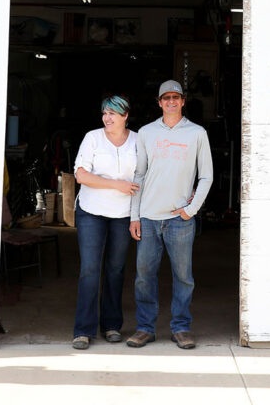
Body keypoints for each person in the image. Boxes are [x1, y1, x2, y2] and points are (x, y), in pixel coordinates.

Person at [127, 80, 213, 350]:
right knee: (144, 276)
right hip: (149, 217)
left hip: (179, 219)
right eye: (166, 98)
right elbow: (138, 174)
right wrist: (134, 216)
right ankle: (145, 328)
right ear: (159, 102)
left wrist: (191, 210)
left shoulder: (197, 133)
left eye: (176, 97)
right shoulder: (146, 132)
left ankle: (181, 327)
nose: (171, 102)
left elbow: (207, 175)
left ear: (183, 100)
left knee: (183, 276)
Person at [71, 94, 139, 349]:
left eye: (113, 113)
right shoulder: (93, 138)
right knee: (90, 269)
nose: (107, 118)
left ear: (125, 116)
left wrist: (137, 215)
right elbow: (81, 175)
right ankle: (83, 329)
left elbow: (144, 176)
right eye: (104, 113)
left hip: (123, 213)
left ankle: (111, 325)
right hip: (91, 211)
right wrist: (115, 184)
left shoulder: (138, 140)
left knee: (116, 269)